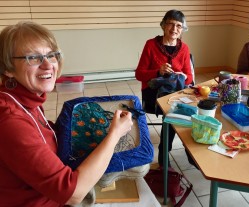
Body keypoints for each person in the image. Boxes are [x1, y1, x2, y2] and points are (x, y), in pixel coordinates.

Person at [0, 21, 133, 206]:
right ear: (8, 68)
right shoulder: (10, 121)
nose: (48, 65)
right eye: (33, 58)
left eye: (52, 55)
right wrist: (115, 134)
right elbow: (73, 194)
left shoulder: (26, 98)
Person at [135, 10, 196, 168]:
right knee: (174, 111)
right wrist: (158, 71)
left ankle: (189, 151)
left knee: (192, 110)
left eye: (179, 26)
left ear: (182, 29)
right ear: (163, 25)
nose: (174, 29)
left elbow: (189, 78)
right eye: (171, 23)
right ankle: (165, 153)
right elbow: (139, 74)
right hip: (153, 93)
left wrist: (182, 75)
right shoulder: (151, 45)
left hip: (176, 91)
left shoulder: (184, 48)